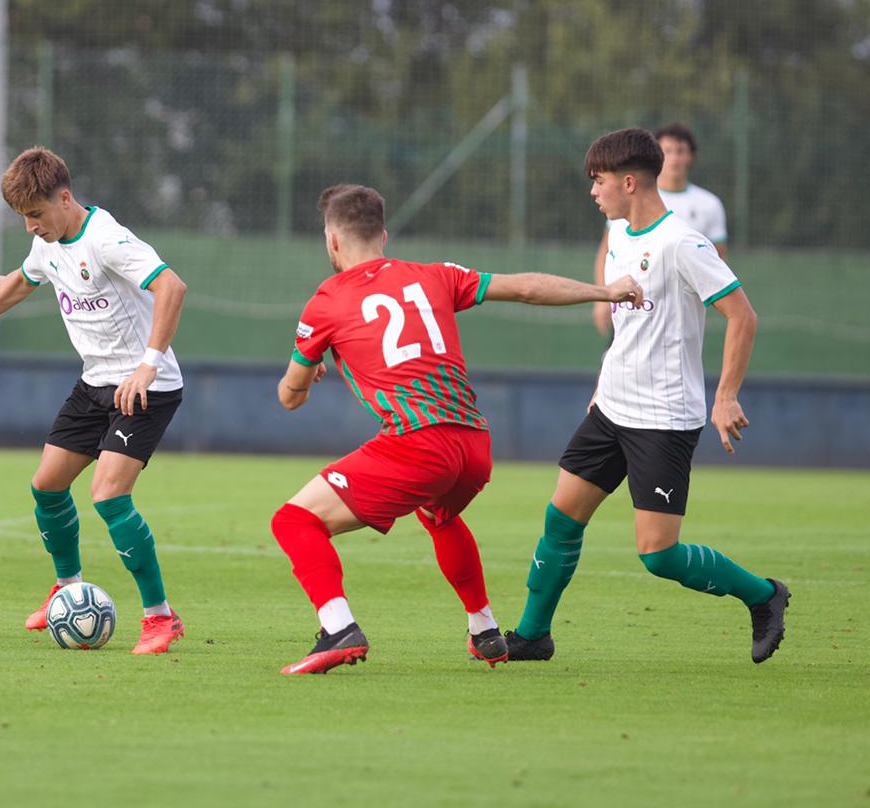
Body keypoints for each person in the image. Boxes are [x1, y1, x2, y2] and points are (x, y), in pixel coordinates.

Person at [270, 184, 647, 675]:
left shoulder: (326, 301)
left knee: (293, 521)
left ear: (333, 241)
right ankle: (484, 628)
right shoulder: (436, 275)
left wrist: (305, 374)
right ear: (383, 235)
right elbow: (527, 287)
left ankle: (339, 628)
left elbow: (290, 397)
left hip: (417, 443)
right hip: (472, 443)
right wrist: (604, 290)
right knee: (438, 515)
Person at [507, 127, 789, 664]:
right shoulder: (618, 236)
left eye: (599, 180)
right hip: (611, 407)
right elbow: (626, 325)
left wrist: (725, 396)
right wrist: (600, 387)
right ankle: (532, 635)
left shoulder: (682, 243)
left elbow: (742, 317)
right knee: (561, 518)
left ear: (629, 181)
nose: (593, 190)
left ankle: (763, 594)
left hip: (663, 418)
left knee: (657, 555)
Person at [0, 147, 189, 655]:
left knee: (108, 497)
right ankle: (66, 589)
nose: (30, 227)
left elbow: (172, 286)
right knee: (47, 486)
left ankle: (160, 617)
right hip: (94, 384)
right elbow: (21, 281)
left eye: (36, 215)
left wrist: (149, 363)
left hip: (144, 388)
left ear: (65, 198)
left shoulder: (107, 240)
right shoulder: (48, 242)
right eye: (23, 218)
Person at [594, 123, 728, 335]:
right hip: (629, 307)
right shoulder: (625, 204)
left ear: (691, 157)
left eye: (680, 151)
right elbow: (606, 250)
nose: (674, 158)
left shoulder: (707, 206)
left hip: (672, 315)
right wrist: (602, 296)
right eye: (668, 151)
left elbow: (717, 260)